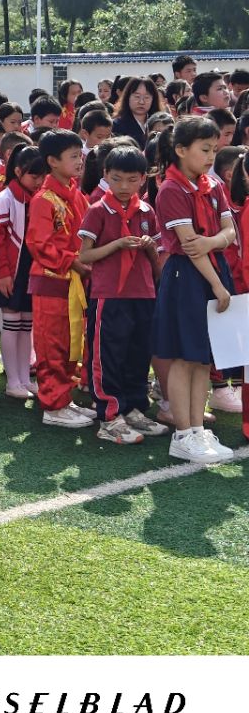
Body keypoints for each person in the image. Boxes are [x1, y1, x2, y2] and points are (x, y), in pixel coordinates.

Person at [151, 118, 237, 463]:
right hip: (186, 276)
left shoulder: (212, 185)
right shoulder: (171, 189)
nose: (211, 156)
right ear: (181, 150)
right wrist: (216, 284)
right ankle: (183, 434)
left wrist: (212, 242)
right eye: (204, 149)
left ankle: (198, 430)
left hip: (212, 269)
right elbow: (189, 246)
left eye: (214, 149)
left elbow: (229, 232)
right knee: (183, 357)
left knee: (203, 358)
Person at [77, 146, 165, 445]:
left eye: (132, 179)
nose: (124, 186)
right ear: (105, 175)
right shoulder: (98, 210)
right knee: (108, 354)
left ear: (143, 178)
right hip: (109, 294)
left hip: (143, 292)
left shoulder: (147, 211)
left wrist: (149, 248)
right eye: (117, 179)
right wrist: (117, 244)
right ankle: (110, 415)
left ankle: (134, 407)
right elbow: (85, 255)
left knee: (138, 353)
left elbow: (157, 258)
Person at [26, 129, 93, 427]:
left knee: (71, 342)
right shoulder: (44, 199)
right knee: (52, 344)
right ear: (52, 161)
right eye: (73, 156)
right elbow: (39, 244)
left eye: (80, 155)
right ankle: (53, 405)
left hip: (74, 279)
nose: (80, 161)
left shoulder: (75, 193)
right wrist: (73, 261)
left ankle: (64, 398)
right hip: (52, 281)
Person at [0, 146, 44, 399]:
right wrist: (3, 273)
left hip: (29, 269)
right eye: (34, 176)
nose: (39, 181)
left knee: (26, 325)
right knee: (11, 324)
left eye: (42, 176)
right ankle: (13, 381)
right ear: (19, 171)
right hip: (10, 271)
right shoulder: (6, 197)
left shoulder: (35, 197)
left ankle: (24, 377)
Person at [112, 77, 161, 147]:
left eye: (146, 97)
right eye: (137, 96)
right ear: (128, 97)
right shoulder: (116, 125)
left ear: (153, 99)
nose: (141, 102)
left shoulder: (159, 123)